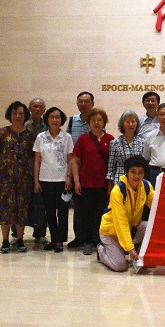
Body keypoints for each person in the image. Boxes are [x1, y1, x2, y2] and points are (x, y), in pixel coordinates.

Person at [0, 101, 35, 253]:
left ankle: (20, 239)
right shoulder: (2, 132)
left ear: (25, 116)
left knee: (21, 208)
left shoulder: (29, 135)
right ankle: (5, 240)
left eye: (21, 113)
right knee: (5, 209)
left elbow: (33, 157)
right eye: (14, 113)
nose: (17, 116)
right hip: (4, 179)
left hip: (23, 179)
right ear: (10, 115)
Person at [97, 155, 155, 272]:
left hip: (131, 228)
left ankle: (141, 254)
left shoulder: (146, 186)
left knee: (153, 227)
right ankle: (101, 250)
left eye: (140, 172)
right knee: (120, 266)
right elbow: (120, 222)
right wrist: (130, 249)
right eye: (133, 172)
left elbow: (157, 207)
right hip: (112, 231)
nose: (137, 176)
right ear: (127, 172)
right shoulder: (117, 191)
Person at [72, 108, 115, 255]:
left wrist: (110, 184)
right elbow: (75, 161)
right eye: (93, 120)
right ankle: (87, 242)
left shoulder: (110, 139)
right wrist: (76, 181)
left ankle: (99, 240)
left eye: (99, 120)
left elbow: (112, 163)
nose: (96, 123)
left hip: (103, 185)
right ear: (89, 122)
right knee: (86, 214)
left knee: (101, 214)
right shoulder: (83, 139)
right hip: (86, 184)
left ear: (104, 122)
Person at [33, 107, 74, 253]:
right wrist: (36, 180)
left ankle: (60, 240)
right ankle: (54, 238)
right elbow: (37, 160)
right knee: (49, 211)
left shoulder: (67, 137)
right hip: (45, 179)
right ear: (47, 119)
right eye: (52, 117)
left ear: (61, 120)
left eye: (57, 117)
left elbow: (71, 160)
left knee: (62, 211)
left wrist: (69, 177)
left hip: (62, 180)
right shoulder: (40, 137)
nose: (55, 120)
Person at [10, 97, 48, 245]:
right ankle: (16, 234)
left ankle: (40, 233)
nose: (37, 109)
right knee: (19, 202)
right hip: (24, 170)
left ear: (44, 110)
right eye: (34, 106)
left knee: (41, 204)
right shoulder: (23, 126)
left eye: (40, 106)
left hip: (43, 170)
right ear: (29, 109)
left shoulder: (48, 126)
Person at [66, 91, 95, 249]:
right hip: (76, 166)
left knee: (93, 206)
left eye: (87, 101)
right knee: (78, 206)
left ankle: (93, 237)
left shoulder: (96, 120)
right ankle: (79, 237)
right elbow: (68, 145)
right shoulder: (72, 121)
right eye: (81, 101)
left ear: (92, 104)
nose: (83, 104)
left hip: (92, 168)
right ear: (77, 103)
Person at [106, 110, 144, 192]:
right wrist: (110, 185)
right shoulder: (114, 143)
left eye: (133, 121)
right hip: (119, 182)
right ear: (122, 124)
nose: (130, 124)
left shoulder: (142, 142)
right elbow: (111, 167)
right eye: (128, 122)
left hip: (137, 182)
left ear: (137, 124)